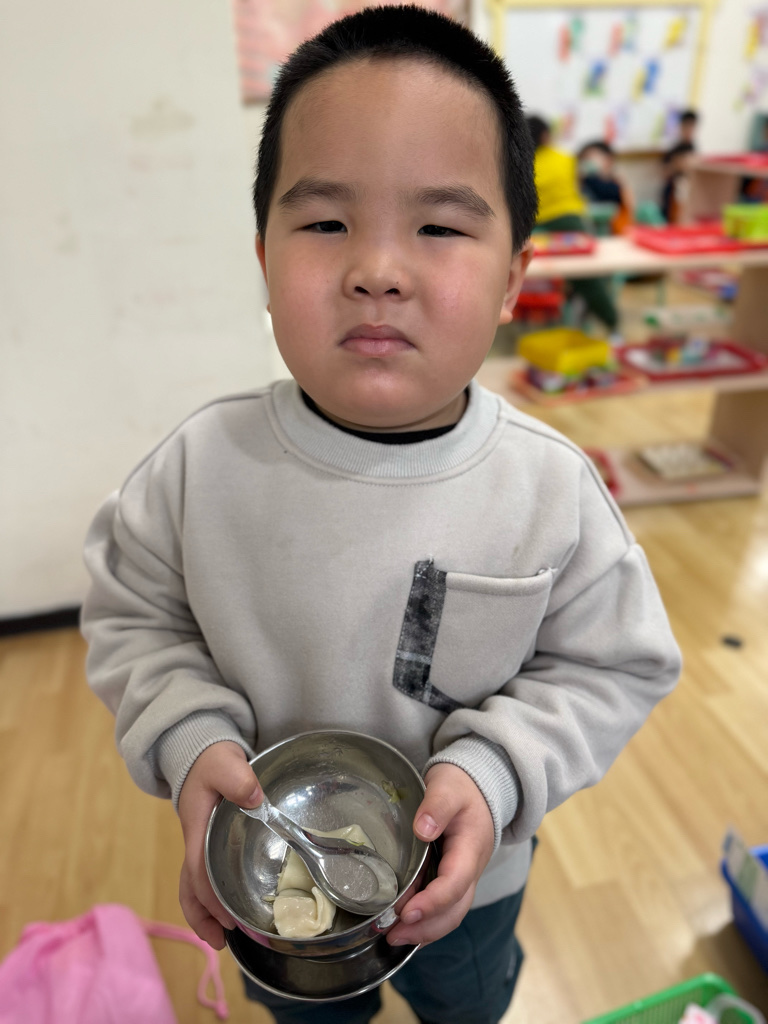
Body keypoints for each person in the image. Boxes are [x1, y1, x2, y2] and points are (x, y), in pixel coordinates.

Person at [80, 7, 682, 1024]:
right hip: (271, 878)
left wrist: (495, 770)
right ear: (264, 258)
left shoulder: (550, 490)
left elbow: (614, 665)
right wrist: (185, 735)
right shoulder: (198, 470)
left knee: (467, 1006)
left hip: (468, 883)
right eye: (326, 224)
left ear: (514, 279)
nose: (377, 270)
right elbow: (137, 617)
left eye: (439, 227)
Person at [527, 115, 620, 332]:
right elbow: (582, 185)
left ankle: (552, 315)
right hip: (570, 224)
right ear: (546, 136)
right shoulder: (566, 158)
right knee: (586, 275)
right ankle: (612, 322)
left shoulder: (521, 164)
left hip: (534, 228)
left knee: (536, 274)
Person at [578, 139, 634, 233]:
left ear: (608, 159)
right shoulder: (584, 182)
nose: (586, 161)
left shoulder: (616, 184)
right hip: (590, 230)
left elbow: (628, 206)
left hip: (616, 230)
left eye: (590, 157)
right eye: (583, 159)